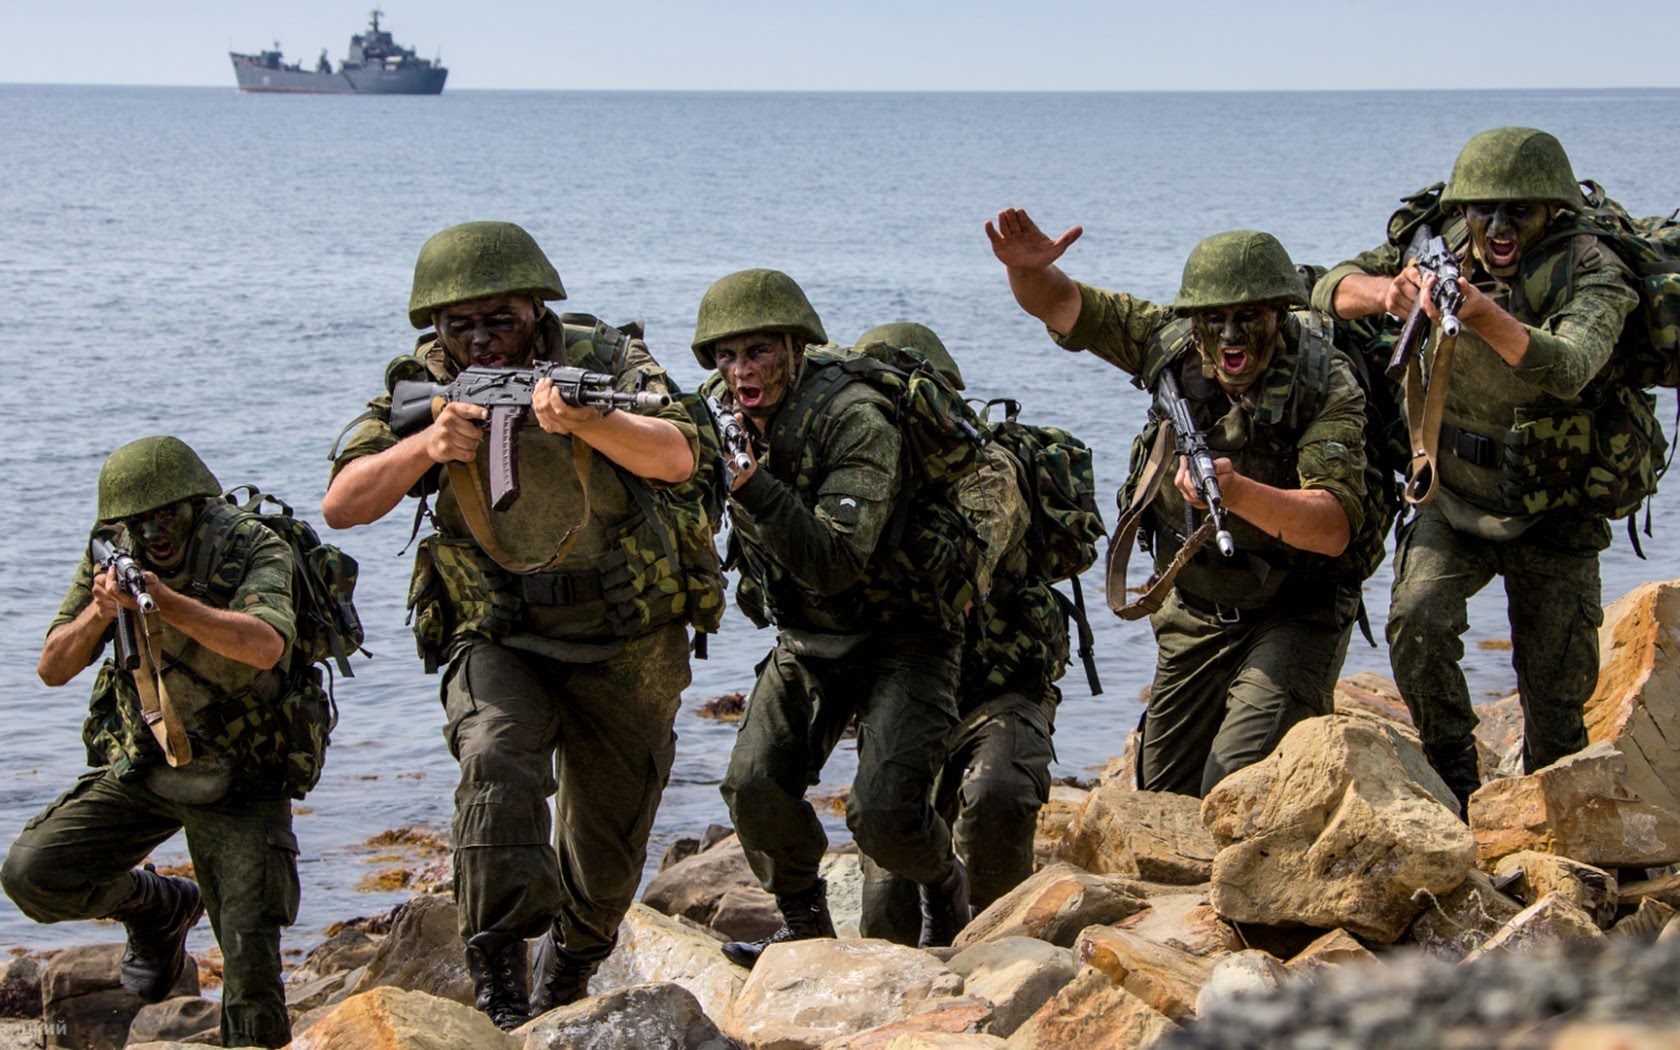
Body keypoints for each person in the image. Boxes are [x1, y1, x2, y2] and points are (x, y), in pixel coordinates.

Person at [322, 222, 719, 1029]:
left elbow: (679, 455)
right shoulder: (425, 381)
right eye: (457, 326)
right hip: (498, 629)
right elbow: (342, 503)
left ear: (538, 307)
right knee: (496, 765)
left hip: (625, 635)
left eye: (497, 319)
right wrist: (428, 446)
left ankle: (566, 975)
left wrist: (587, 424)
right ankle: (497, 977)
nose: (478, 340)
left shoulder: (604, 361)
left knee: (606, 859)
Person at [990, 213, 1374, 798]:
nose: (1230, 337)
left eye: (1248, 318)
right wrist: (1026, 271)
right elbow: (1062, 304)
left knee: (1234, 780)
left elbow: (1333, 525)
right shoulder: (1166, 340)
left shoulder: (1325, 383)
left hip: (1295, 608)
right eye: (1214, 319)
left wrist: (1238, 492)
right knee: (1162, 796)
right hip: (1196, 612)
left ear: (1279, 312)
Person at [1313, 127, 1639, 809]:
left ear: (1551, 210)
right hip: (1453, 495)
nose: (1496, 227)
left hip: (1556, 505)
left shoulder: (1593, 266)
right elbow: (1324, 288)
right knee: (1417, 621)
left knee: (1557, 702)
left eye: (1517, 212)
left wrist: (1484, 314)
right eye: (1481, 210)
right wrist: (1387, 294)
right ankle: (1456, 770)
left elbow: (1573, 366)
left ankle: (1552, 821)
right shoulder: (1435, 244)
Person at [691, 270, 977, 966]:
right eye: (726, 357)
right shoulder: (717, 412)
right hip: (810, 638)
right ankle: (804, 926)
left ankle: (945, 883)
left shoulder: (856, 418)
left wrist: (752, 486)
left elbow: (836, 561)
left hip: (904, 634)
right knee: (754, 786)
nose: (741, 372)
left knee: (882, 815)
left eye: (757, 351)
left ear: (794, 345)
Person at [2, 436, 299, 1049]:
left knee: (251, 980)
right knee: (33, 872)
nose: (154, 533)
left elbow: (266, 643)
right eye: (141, 522)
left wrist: (165, 603)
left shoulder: (250, 544)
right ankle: (157, 906)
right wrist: (101, 609)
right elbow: (52, 667)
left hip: (241, 775)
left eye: (167, 516)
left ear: (196, 504)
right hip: (149, 762)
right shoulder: (112, 549)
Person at [848, 322, 1074, 938]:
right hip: (905, 698)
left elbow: (955, 575)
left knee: (996, 795)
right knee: (887, 902)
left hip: (1000, 688)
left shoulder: (988, 471)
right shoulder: (852, 475)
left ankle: (1000, 954)